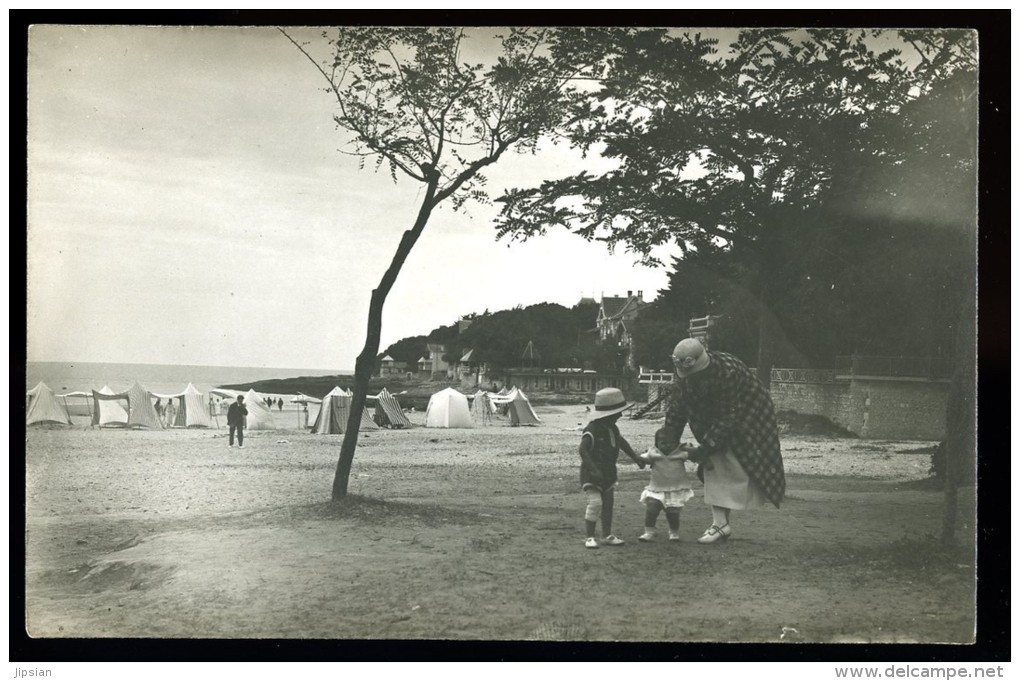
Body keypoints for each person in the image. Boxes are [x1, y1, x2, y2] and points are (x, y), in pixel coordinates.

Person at [665, 338, 785, 544]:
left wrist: (703, 449)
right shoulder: (686, 379)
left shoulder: (727, 373)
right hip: (720, 415)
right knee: (716, 462)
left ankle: (720, 525)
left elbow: (726, 418)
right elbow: (677, 409)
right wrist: (668, 443)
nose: (689, 379)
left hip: (751, 413)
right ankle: (721, 523)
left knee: (722, 459)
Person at [578, 387, 645, 549]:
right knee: (595, 503)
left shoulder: (612, 428)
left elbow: (621, 443)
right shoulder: (592, 429)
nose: (620, 415)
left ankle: (607, 534)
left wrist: (635, 457)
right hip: (592, 473)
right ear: (608, 414)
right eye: (618, 413)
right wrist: (593, 469)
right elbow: (583, 449)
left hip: (608, 472)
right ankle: (590, 536)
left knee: (608, 504)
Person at [637, 426, 695, 542]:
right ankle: (649, 531)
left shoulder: (681, 453)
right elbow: (643, 459)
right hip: (656, 488)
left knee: (672, 513)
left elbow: (694, 456)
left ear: (677, 443)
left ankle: (673, 532)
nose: (667, 446)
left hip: (675, 488)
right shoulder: (653, 453)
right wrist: (640, 461)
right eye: (663, 443)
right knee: (651, 509)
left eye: (672, 443)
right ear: (656, 444)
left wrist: (691, 449)